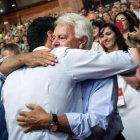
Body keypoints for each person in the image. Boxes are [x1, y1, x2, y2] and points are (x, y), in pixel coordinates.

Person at [2, 13, 136, 140]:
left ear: (82, 41)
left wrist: (52, 120)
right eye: (53, 38)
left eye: (61, 38)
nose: (54, 43)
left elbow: (98, 125)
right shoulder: (44, 64)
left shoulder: (98, 69)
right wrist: (22, 58)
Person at [99, 23, 140, 140]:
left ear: (116, 35)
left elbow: (137, 83)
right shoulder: (101, 60)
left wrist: (116, 65)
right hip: (118, 113)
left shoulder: (131, 52)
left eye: (108, 34)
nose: (105, 38)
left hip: (136, 105)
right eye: (102, 35)